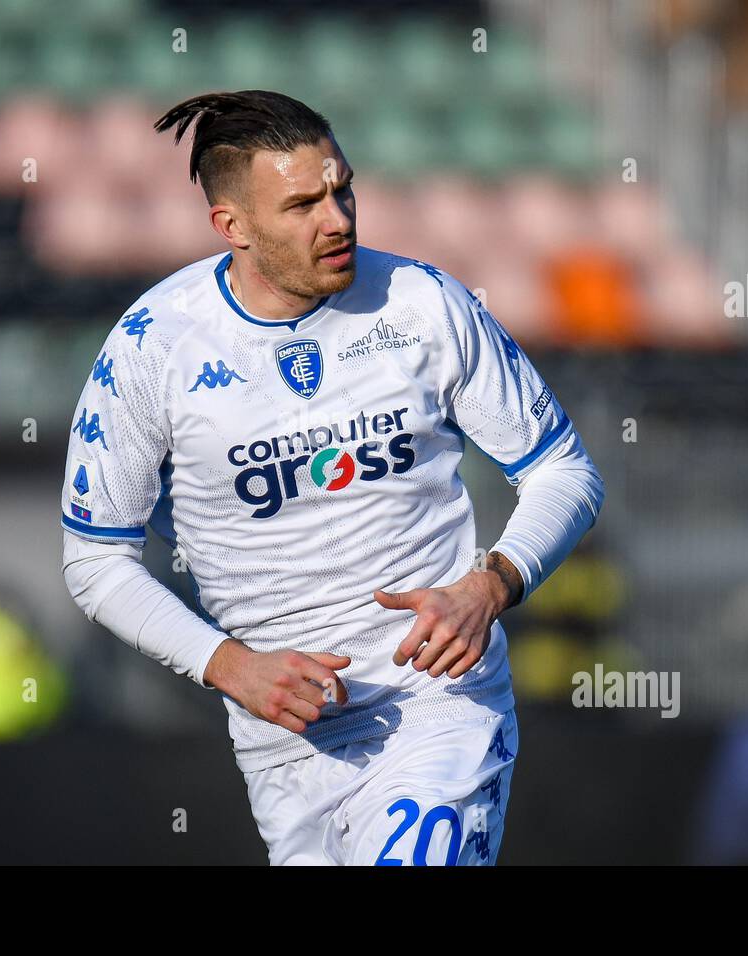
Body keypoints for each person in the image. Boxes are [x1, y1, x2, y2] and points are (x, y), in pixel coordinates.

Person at [61, 91, 604, 865]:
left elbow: (565, 469)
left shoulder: (423, 304)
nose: (339, 218)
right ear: (232, 226)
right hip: (286, 743)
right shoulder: (152, 348)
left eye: (342, 188)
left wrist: (492, 583)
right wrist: (229, 666)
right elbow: (95, 560)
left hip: (438, 709)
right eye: (303, 204)